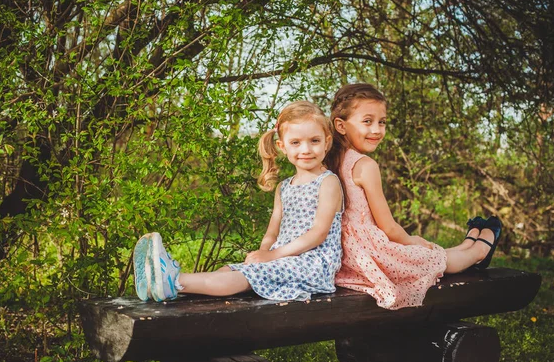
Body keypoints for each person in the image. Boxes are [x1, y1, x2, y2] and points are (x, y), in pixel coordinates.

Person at [133, 101, 344, 302]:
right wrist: (262, 253)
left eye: (314, 141)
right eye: (295, 143)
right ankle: (159, 287)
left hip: (313, 264)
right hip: (284, 260)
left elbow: (318, 233)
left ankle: (174, 280)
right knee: (230, 270)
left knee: (243, 277)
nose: (305, 149)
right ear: (282, 146)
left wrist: (272, 256)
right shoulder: (284, 187)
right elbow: (272, 232)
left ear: (326, 142)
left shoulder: (328, 182)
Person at [325, 83, 502, 310]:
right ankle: (479, 251)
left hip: (348, 256)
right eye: (367, 121)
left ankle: (467, 243)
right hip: (370, 253)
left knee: (426, 251)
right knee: (432, 259)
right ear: (341, 125)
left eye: (382, 122)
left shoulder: (330, 161)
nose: (377, 130)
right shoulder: (365, 165)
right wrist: (411, 241)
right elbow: (388, 227)